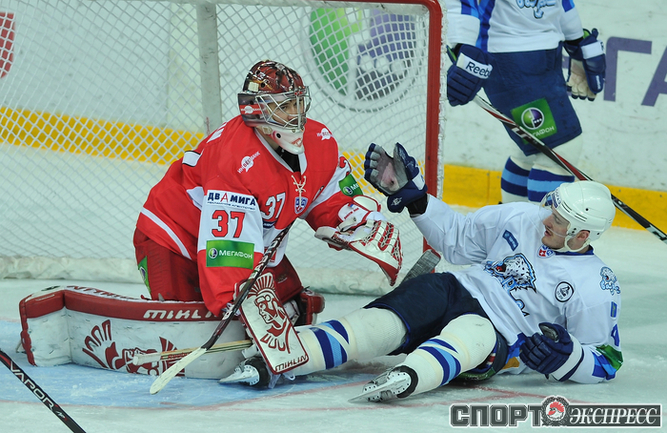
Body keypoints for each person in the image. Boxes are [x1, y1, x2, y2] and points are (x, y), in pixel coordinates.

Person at [223, 142, 622, 402]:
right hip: (452, 289)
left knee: (474, 333)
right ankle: (280, 358)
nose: (548, 219)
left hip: (500, 333)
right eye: (553, 210)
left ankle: (412, 375)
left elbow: (606, 359)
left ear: (583, 235)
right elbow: (458, 239)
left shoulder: (595, 286)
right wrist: (416, 199)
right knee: (376, 327)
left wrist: (565, 359)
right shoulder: (522, 217)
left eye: (560, 220)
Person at [133, 60, 402, 326]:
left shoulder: (320, 139)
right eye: (284, 106)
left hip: (246, 241)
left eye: (297, 103)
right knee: (187, 323)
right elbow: (228, 251)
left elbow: (330, 196)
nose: (295, 114)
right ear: (255, 110)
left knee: (296, 308)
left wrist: (360, 222)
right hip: (174, 239)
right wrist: (238, 302)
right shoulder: (236, 159)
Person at [445, 0, 606, 203]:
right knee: (560, 151)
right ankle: (540, 224)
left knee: (531, 151)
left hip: (548, 54)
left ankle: (513, 220)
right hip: (510, 60)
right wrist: (462, 44)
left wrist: (576, 39)